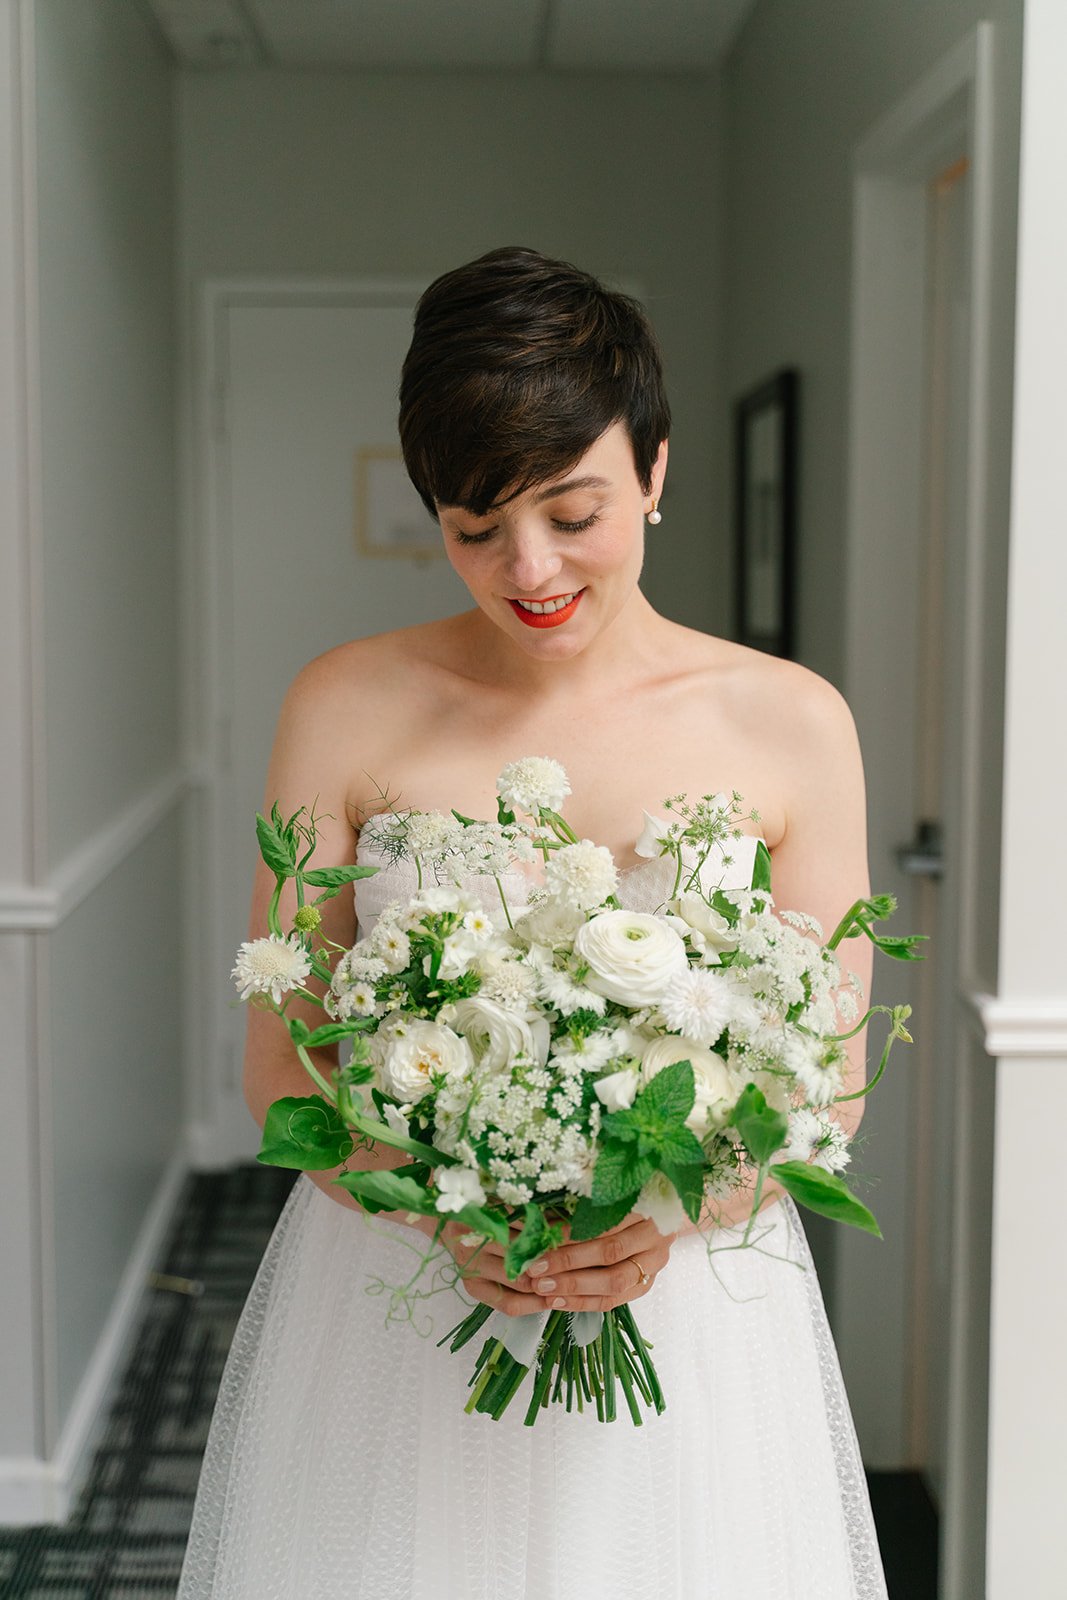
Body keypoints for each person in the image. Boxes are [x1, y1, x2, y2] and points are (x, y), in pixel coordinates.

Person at [177, 247, 888, 1599]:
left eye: (574, 511)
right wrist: (440, 1217)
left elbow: (830, 1079)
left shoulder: (792, 720)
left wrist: (663, 1216)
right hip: (400, 1296)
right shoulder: (344, 703)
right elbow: (284, 1067)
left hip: (688, 1310)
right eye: (476, 524)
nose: (530, 567)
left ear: (657, 472)